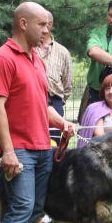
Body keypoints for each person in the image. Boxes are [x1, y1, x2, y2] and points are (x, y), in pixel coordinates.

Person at [0, 2, 74, 223]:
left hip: (42, 147)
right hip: (19, 148)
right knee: (21, 207)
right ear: (23, 24)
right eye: (42, 25)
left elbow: (42, 104)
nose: (47, 30)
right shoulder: (2, 58)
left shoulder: (36, 59)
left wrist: (61, 123)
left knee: (35, 210)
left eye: (48, 25)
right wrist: (8, 151)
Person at [35, 11, 73, 141]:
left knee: (53, 143)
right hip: (32, 101)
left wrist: (57, 102)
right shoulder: (29, 48)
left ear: (49, 24)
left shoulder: (63, 52)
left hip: (55, 102)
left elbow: (68, 85)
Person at [78, 71, 112, 147]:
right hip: (102, 152)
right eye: (107, 89)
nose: (111, 92)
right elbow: (99, 135)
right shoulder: (95, 109)